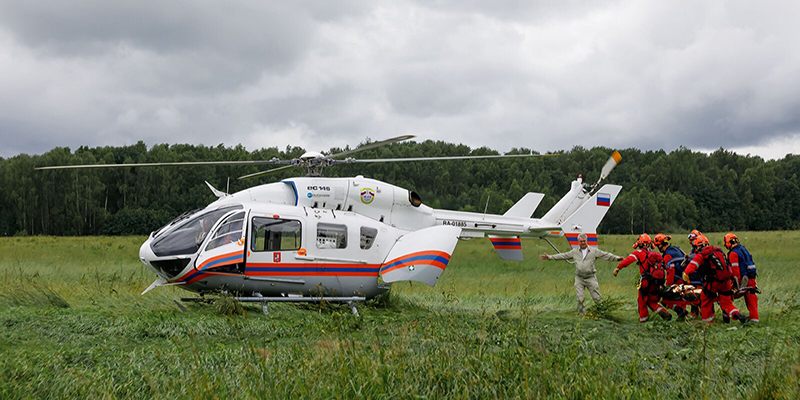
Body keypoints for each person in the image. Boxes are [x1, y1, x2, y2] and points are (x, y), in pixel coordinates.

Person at [540, 233, 623, 315]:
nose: (582, 243)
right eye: (581, 241)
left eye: (584, 241)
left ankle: (602, 313)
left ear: (587, 241)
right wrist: (550, 257)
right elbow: (563, 255)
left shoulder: (594, 251)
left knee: (597, 298)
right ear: (578, 242)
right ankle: (582, 315)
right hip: (579, 278)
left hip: (591, 277)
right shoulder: (574, 252)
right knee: (580, 298)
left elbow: (605, 255)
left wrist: (616, 258)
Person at [682, 234, 748, 324]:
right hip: (726, 281)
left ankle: (707, 323)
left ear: (697, 246)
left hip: (713, 283)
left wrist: (686, 278)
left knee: (705, 301)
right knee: (727, 303)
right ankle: (738, 315)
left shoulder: (701, 255)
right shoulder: (718, 251)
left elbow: (689, 270)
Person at [614, 234, 673, 322]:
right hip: (657, 281)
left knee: (642, 301)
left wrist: (618, 268)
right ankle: (665, 313)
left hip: (646, 281)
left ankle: (643, 321)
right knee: (652, 301)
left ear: (640, 243)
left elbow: (628, 260)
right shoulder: (655, 253)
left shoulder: (639, 253)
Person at [653, 233, 690, 320]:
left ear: (661, 245)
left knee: (664, 297)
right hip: (686, 278)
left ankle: (680, 313)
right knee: (682, 299)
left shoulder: (667, 255)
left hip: (678, 280)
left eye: (658, 246)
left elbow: (670, 271)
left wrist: (668, 287)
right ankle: (684, 316)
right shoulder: (676, 249)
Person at [725, 233, 760, 322]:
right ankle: (754, 319)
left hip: (743, 280)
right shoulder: (743, 249)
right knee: (751, 298)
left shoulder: (733, 253)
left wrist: (737, 284)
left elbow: (735, 270)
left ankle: (728, 317)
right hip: (752, 278)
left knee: (726, 298)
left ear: (728, 243)